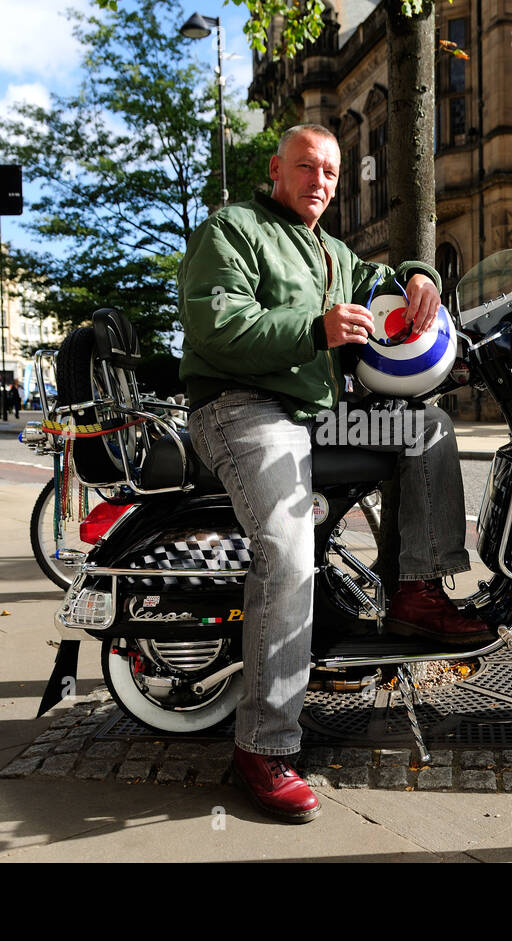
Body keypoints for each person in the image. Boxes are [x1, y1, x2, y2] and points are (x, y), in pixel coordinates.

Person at [178, 123, 488, 823]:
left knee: (428, 430)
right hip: (242, 409)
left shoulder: (332, 250)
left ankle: (415, 593)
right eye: (307, 167)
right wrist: (314, 329)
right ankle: (262, 745)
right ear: (276, 169)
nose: (320, 180)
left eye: (331, 172)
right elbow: (215, 325)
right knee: (287, 553)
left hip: (316, 416)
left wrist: (421, 276)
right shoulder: (234, 229)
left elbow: (380, 282)